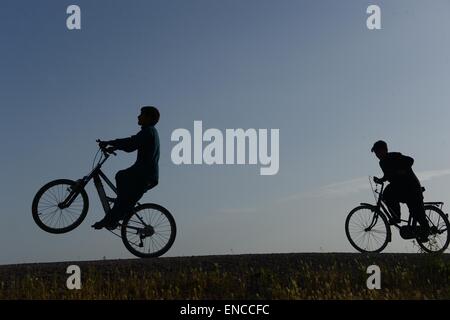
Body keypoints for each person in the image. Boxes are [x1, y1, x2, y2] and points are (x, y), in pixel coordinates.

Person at [92, 106, 160, 230]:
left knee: (122, 180)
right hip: (144, 173)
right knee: (122, 181)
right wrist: (114, 147)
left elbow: (131, 143)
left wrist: (111, 142)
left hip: (144, 174)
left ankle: (115, 216)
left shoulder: (148, 131)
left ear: (149, 118)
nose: (138, 116)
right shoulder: (149, 132)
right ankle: (120, 211)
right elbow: (131, 145)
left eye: (141, 114)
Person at [371, 140, 430, 242]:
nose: (377, 155)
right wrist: (381, 180)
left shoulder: (395, 156)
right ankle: (396, 217)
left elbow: (410, 160)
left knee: (417, 212)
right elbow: (388, 175)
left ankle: (426, 231)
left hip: (412, 187)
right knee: (387, 194)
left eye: (378, 152)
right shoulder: (382, 163)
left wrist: (402, 169)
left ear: (384, 150)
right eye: (376, 153)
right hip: (400, 188)